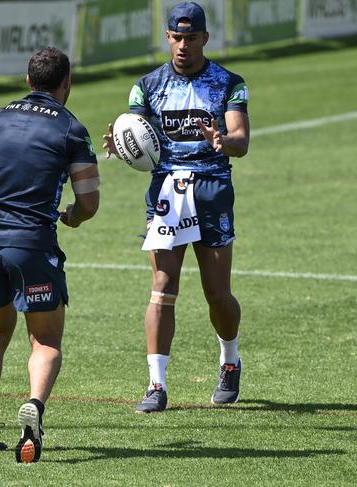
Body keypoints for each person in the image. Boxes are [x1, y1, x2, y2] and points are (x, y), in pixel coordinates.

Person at [103, 1, 250, 413]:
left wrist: (223, 140)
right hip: (166, 190)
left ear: (204, 38)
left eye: (190, 38)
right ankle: (156, 384)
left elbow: (241, 138)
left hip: (212, 188)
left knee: (217, 294)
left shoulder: (229, 83)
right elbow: (136, 130)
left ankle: (230, 358)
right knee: (163, 289)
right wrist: (121, 142)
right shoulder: (147, 86)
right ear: (168, 37)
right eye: (176, 37)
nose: (183, 45)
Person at [0, 47, 100, 462]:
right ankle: (34, 408)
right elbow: (88, 202)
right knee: (45, 340)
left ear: (27, 81)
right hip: (32, 244)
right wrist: (71, 217)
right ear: (66, 84)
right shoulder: (72, 129)